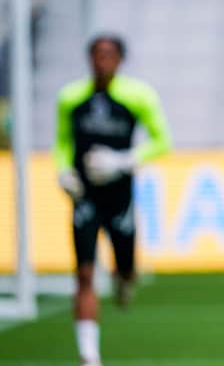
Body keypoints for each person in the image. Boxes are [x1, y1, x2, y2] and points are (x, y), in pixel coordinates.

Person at [53, 34, 171, 366]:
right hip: (85, 196)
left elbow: (162, 141)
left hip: (119, 196)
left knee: (125, 270)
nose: (102, 60)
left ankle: (124, 280)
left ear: (119, 59)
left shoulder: (137, 96)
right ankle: (89, 355)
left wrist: (122, 160)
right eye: (97, 54)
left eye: (109, 54)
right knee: (85, 274)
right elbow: (63, 141)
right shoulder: (71, 98)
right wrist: (63, 172)